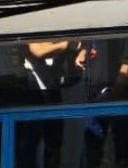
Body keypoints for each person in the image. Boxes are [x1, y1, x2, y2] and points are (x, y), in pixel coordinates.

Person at [17, 39, 85, 168]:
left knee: (56, 142)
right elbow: (37, 50)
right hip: (35, 93)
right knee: (32, 141)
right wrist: (65, 45)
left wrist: (80, 51)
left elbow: (81, 43)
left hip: (58, 90)